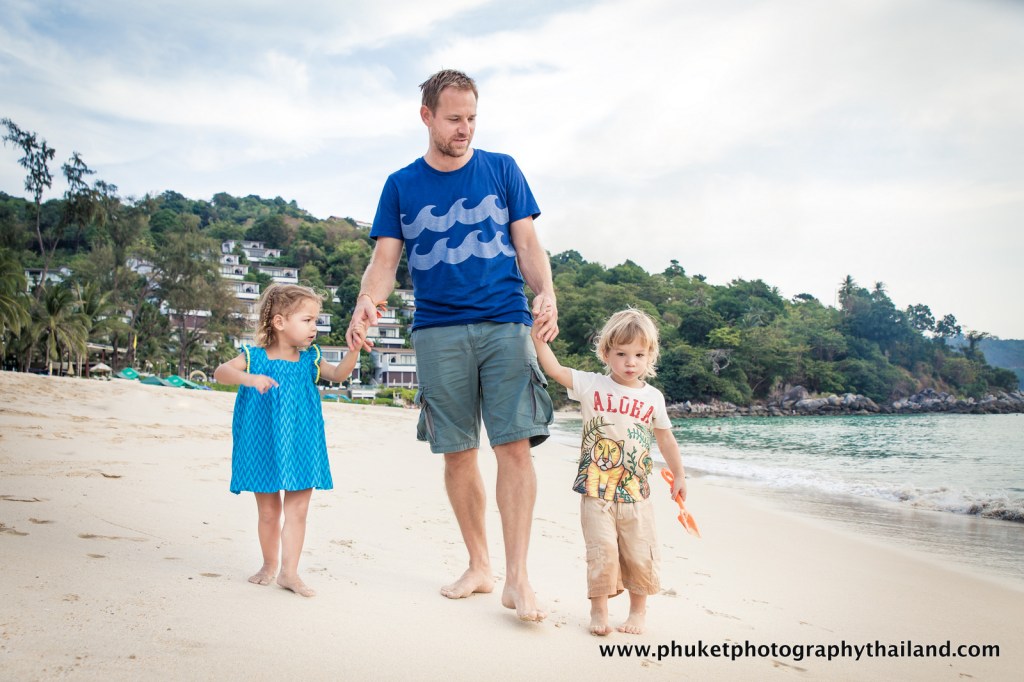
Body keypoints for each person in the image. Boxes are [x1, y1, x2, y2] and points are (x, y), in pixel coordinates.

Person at [346, 69, 557, 622]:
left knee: (514, 446)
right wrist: (366, 301)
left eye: (471, 119)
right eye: (454, 119)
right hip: (437, 329)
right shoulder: (401, 185)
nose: (464, 129)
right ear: (427, 117)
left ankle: (517, 579)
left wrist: (547, 293)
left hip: (505, 321)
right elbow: (385, 262)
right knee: (458, 451)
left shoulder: (502, 169)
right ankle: (480, 565)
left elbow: (528, 243)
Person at [531, 308, 687, 635]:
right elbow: (556, 369)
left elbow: (666, 439)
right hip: (595, 489)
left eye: (639, 354)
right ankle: (598, 610)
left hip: (636, 492)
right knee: (601, 551)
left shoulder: (652, 397)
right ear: (606, 353)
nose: (631, 361)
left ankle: (638, 612)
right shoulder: (591, 385)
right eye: (622, 353)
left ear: (650, 356)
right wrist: (538, 339)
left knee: (639, 553)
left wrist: (680, 476)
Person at [215, 283, 360, 597]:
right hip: (261, 442)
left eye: (315, 321)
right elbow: (220, 372)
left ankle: (289, 573)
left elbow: (338, 375)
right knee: (268, 512)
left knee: (298, 511)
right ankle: (269, 564)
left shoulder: (310, 359)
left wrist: (355, 350)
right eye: (307, 320)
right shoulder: (254, 357)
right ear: (280, 322)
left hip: (302, 442)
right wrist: (249, 378)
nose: (314, 328)